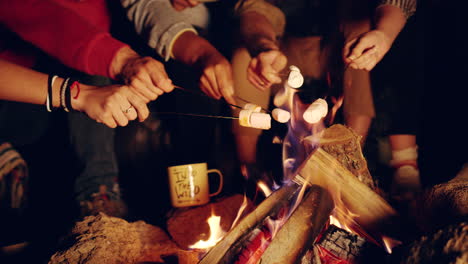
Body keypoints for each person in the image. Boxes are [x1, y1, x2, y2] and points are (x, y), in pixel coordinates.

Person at [0, 0, 175, 218]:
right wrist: (80, 94)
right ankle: (97, 199)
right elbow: (25, 9)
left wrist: (122, 61)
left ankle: (100, 196)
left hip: (43, 96)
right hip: (13, 99)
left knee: (95, 72)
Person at [231, 0, 375, 175]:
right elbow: (254, 9)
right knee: (245, 56)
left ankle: (352, 166)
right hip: (282, 47)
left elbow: (355, 13)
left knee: (358, 59)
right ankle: (248, 170)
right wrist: (264, 47)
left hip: (331, 50)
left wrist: (356, 40)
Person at [342, 0, 421, 201]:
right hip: (329, 26)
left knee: (409, 38)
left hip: (387, 23)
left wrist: (384, 34)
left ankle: (405, 166)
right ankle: (349, 166)